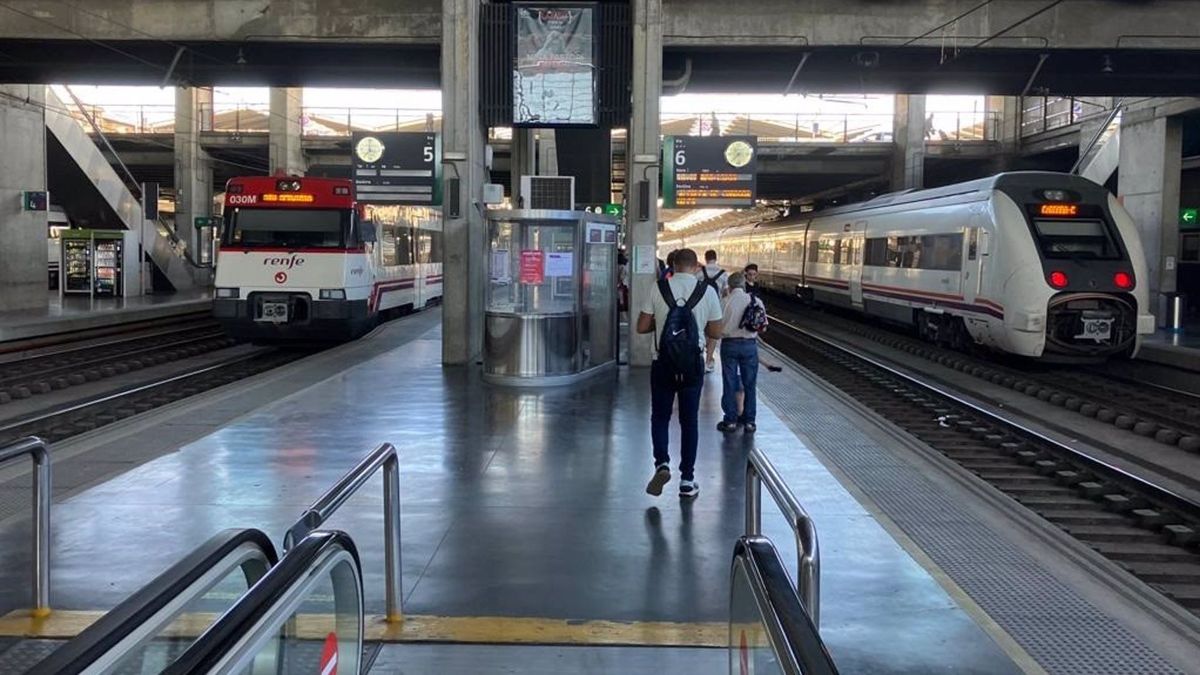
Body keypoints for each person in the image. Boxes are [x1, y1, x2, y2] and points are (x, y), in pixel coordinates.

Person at [637, 248, 723, 499]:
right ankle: (687, 479)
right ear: (696, 266)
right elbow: (716, 332)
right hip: (692, 365)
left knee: (660, 416)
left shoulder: (659, 288)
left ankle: (662, 463)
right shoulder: (706, 291)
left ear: (672, 265)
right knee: (689, 421)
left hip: (663, 362)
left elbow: (642, 327)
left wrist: (663, 323)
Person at [718, 272, 766, 433]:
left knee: (729, 382)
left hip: (729, 345)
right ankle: (749, 422)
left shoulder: (725, 301)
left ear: (729, 286)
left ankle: (730, 420)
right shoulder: (756, 301)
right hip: (749, 346)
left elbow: (718, 326)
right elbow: (763, 326)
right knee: (750, 384)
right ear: (744, 285)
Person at [696, 250, 728, 372]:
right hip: (716, 309)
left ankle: (701, 355)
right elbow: (725, 293)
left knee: (701, 331)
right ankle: (708, 360)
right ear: (716, 258)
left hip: (701, 306)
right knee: (713, 335)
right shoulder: (723, 274)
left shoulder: (699, 273)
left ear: (706, 258)